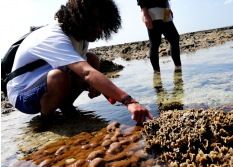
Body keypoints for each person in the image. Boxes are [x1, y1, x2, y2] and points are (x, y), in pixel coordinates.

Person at [6, 0, 152, 124]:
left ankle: (66, 107)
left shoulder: (81, 37)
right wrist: (129, 101)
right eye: (94, 22)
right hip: (22, 96)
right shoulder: (53, 36)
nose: (99, 28)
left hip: (44, 82)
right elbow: (86, 72)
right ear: (79, 18)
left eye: (102, 23)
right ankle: (47, 119)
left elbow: (88, 68)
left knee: (92, 59)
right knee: (58, 77)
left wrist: (102, 90)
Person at [137, 0, 182, 73]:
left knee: (174, 38)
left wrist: (168, 8)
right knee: (155, 42)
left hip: (165, 10)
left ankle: (178, 69)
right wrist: (145, 14)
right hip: (153, 11)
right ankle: (157, 73)